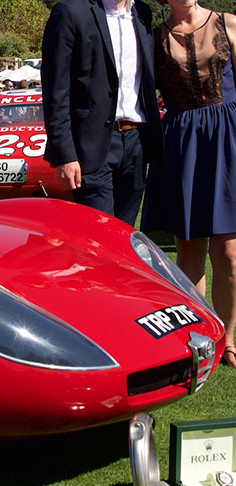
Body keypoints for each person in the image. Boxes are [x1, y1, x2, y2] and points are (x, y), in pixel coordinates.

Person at [141, 2, 236, 364]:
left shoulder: (228, 24)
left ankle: (228, 339)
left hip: (228, 140)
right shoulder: (154, 39)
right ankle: (201, 337)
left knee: (229, 252)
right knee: (189, 249)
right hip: (183, 145)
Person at [41, 0, 162, 226]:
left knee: (125, 235)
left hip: (137, 142)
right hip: (91, 146)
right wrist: (64, 154)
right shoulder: (70, 11)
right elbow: (55, 88)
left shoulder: (142, 13)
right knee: (97, 236)